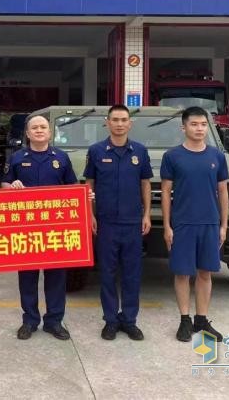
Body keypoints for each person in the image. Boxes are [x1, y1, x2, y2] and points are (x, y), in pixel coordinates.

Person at [2, 114, 78, 341]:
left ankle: (54, 321)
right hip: (26, 227)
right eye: (34, 128)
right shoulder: (16, 158)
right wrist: (11, 186)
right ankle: (30, 321)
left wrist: (85, 196)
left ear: (49, 131)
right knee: (27, 276)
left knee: (56, 276)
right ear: (27, 133)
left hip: (54, 228)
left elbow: (73, 188)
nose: (39, 130)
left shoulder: (61, 158)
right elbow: (4, 184)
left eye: (43, 127)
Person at [160, 106, 229, 343]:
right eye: (194, 124)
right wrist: (168, 226)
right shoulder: (172, 156)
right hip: (183, 224)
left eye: (203, 125)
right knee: (182, 273)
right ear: (184, 127)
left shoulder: (217, 157)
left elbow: (223, 191)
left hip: (209, 223)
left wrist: (223, 225)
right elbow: (167, 191)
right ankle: (184, 320)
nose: (199, 129)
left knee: (205, 272)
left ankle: (202, 319)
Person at [84, 105, 152, 341]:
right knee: (108, 274)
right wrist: (90, 214)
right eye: (115, 119)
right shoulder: (95, 151)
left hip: (133, 222)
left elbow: (145, 184)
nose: (120, 124)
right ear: (107, 122)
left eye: (124, 120)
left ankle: (130, 320)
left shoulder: (140, 152)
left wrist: (146, 215)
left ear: (129, 124)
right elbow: (89, 185)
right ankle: (111, 320)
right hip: (105, 223)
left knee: (132, 274)